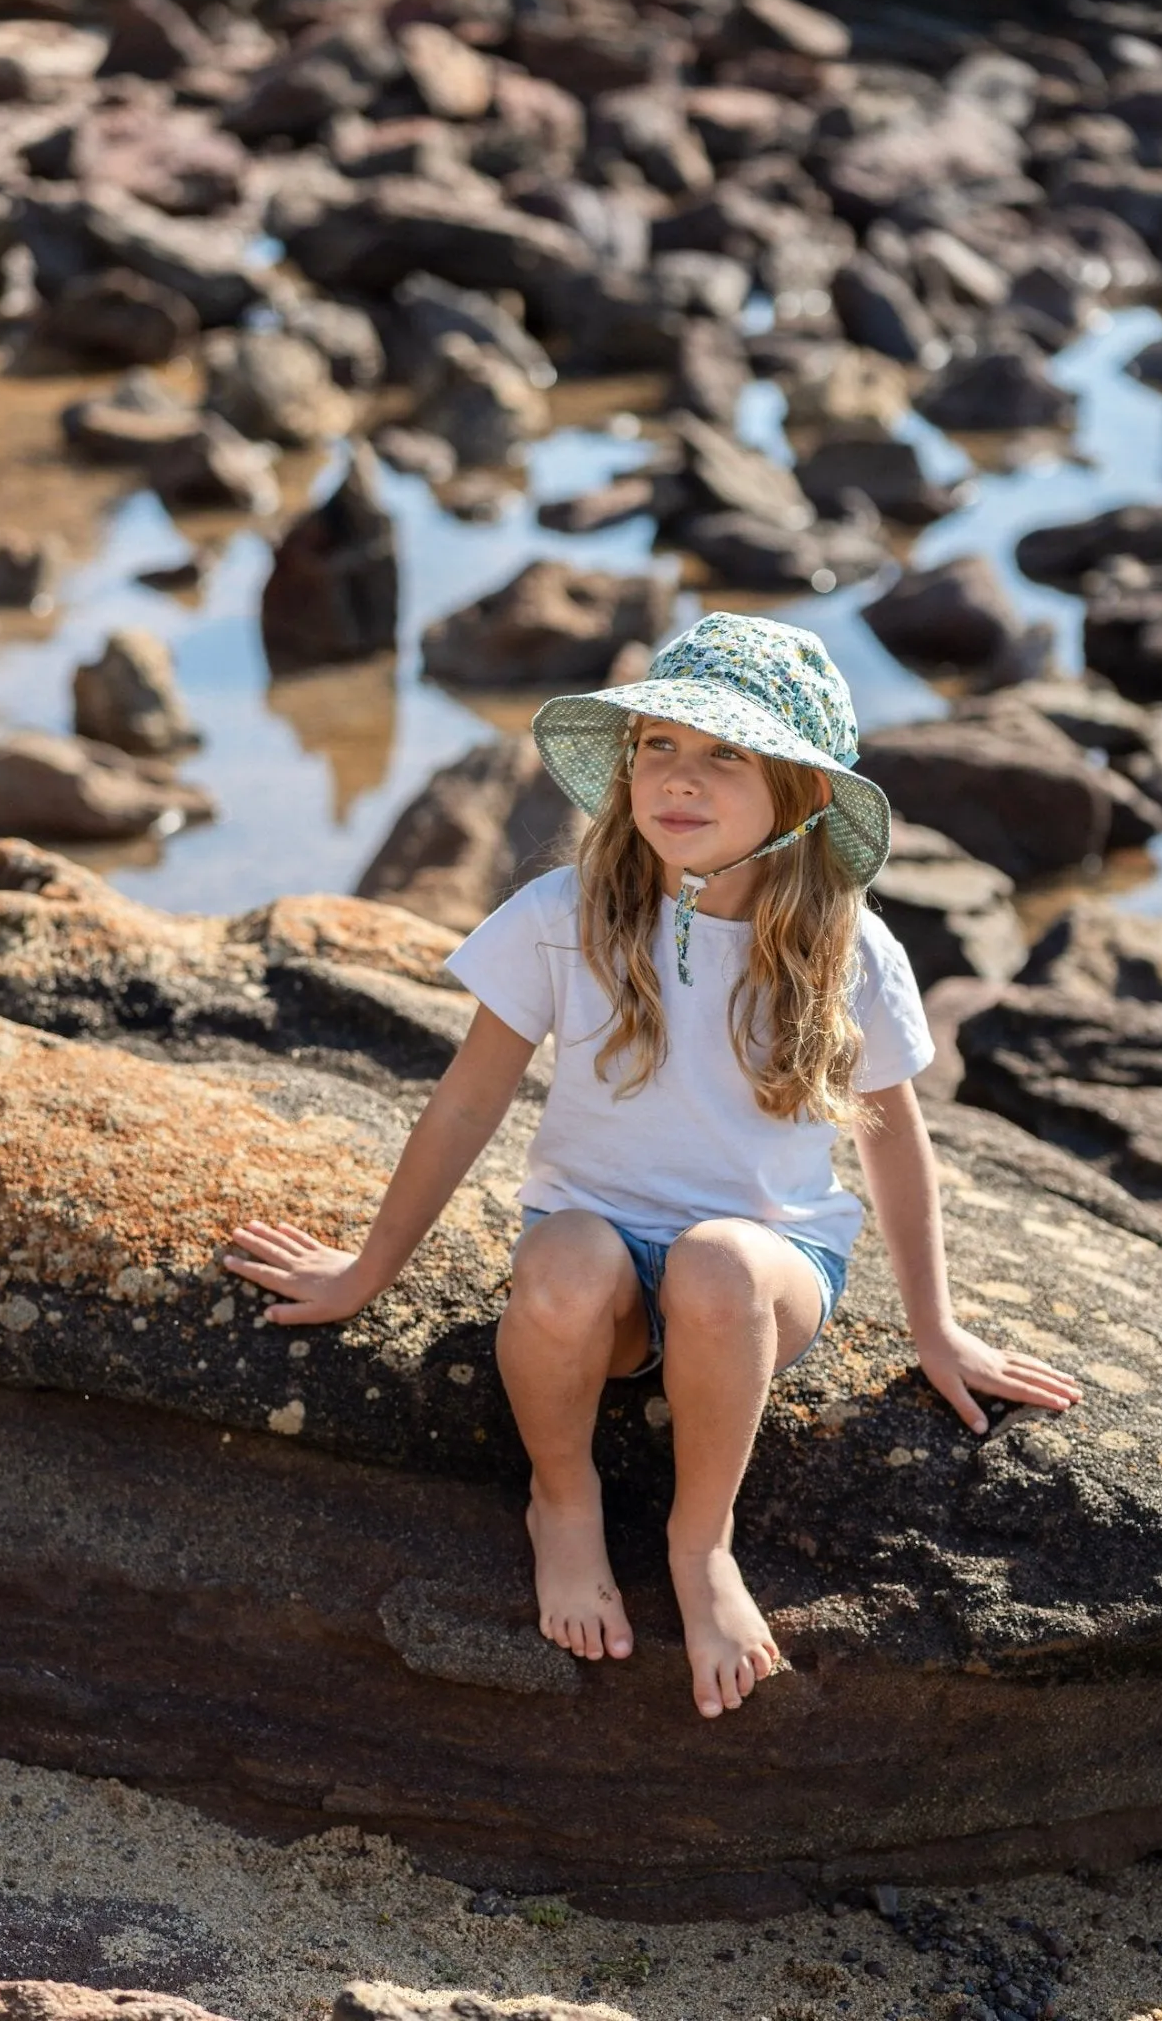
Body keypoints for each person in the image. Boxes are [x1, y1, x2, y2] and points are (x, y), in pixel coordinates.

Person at [225, 612, 1082, 1720]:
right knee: (565, 1265)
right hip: (603, 1275)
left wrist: (937, 1327)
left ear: (802, 794)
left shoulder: (849, 945)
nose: (681, 777)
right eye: (659, 746)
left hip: (765, 1274)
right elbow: (468, 1097)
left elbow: (895, 1141)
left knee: (719, 1266)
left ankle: (700, 1541)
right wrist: (364, 1270)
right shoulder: (565, 914)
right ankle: (563, 1496)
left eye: (726, 753)